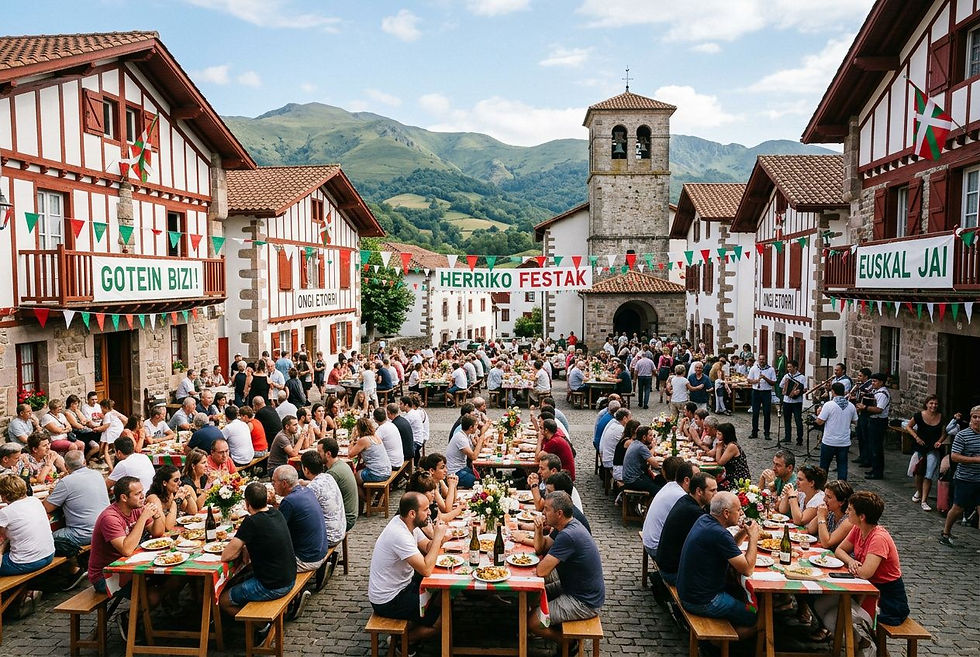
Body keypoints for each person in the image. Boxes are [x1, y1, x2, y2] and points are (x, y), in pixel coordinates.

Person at [677, 491, 760, 639]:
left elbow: (730, 547)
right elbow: (747, 569)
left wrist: (743, 532)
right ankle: (717, 644)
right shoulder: (719, 533)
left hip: (688, 591)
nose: (741, 513)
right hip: (703, 600)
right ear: (726, 513)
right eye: (739, 510)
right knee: (756, 618)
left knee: (737, 593)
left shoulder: (704, 519)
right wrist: (753, 538)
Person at [367, 492, 445, 647]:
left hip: (403, 587)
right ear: (412, 513)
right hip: (389, 600)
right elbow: (426, 569)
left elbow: (428, 547)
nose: (429, 512)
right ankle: (402, 642)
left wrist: (439, 536)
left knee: (440, 593)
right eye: (426, 509)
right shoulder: (399, 534)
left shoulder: (407, 524)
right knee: (443, 618)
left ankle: (413, 626)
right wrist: (437, 538)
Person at [527, 491, 604, 644]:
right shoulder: (567, 526)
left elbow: (541, 571)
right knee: (533, 592)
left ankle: (567, 643)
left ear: (559, 513)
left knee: (534, 623)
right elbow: (540, 548)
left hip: (584, 601)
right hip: (574, 588)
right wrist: (538, 529)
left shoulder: (568, 535)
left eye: (547, 509)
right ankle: (529, 623)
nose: (543, 512)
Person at [219, 482, 297, 620]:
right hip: (289, 577)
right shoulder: (276, 512)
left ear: (247, 503)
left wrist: (241, 547)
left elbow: (226, 556)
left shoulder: (251, 522)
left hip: (272, 585)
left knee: (223, 600)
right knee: (237, 579)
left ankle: (262, 625)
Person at [831, 491, 909, 626]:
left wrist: (854, 567)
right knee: (824, 603)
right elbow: (840, 550)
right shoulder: (858, 528)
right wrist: (851, 561)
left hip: (886, 600)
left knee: (834, 614)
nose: (846, 512)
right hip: (865, 591)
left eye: (850, 510)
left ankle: (861, 642)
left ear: (862, 516)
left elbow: (865, 573)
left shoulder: (878, 538)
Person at [88, 476, 165, 594]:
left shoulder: (136, 508)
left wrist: (156, 516)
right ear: (124, 497)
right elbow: (127, 550)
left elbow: (158, 533)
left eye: (142, 491)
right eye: (137, 494)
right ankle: (139, 611)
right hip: (106, 575)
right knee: (153, 595)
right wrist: (144, 517)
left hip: (129, 565)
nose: (142, 496)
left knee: (170, 578)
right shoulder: (110, 518)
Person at [43, 450, 110, 556]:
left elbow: (46, 508)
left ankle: (73, 567)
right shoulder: (97, 474)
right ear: (84, 462)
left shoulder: (66, 482)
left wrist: (54, 492)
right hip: (106, 528)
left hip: (83, 533)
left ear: (65, 466)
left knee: (45, 539)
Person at [656, 473, 718, 584]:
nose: (716, 494)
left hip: (667, 564)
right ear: (699, 491)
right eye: (712, 491)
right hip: (673, 572)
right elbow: (714, 539)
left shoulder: (687, 499)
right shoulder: (693, 512)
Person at [271, 465, 328, 581]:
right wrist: (274, 504)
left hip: (306, 559)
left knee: (263, 559)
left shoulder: (289, 501)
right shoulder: (306, 491)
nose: (273, 485)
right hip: (320, 550)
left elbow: (276, 531)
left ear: (284, 484)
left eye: (274, 482)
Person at [940, 404, 980, 547]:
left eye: (979, 417)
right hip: (965, 478)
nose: (977, 420)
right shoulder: (963, 435)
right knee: (958, 508)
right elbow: (955, 457)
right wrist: (976, 459)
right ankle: (945, 533)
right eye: (974, 417)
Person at [0, 474, 55, 575]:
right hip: (49, 554)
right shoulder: (35, 501)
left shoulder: (6, 512)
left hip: (27, 562)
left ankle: (22, 590)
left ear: (4, 495)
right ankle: (26, 590)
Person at [641, 457, 695, 556]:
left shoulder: (671, 486)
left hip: (650, 540)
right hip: (656, 546)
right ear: (686, 479)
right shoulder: (679, 495)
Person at [907, 395, 948, 511]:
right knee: (918, 472)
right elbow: (909, 427)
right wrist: (916, 437)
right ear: (926, 404)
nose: (933, 406)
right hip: (920, 447)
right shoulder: (919, 416)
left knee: (929, 474)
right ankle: (919, 492)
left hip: (933, 448)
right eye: (931, 403)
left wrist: (939, 441)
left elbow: (945, 432)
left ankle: (924, 500)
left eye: (935, 404)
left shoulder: (941, 417)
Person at [299, 451, 346, 548]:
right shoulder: (328, 477)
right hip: (340, 529)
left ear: (306, 470)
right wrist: (304, 483)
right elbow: (318, 485)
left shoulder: (312, 488)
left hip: (329, 537)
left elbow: (301, 509)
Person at [348, 417, 392, 511]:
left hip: (377, 473)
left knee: (353, 479)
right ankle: (368, 496)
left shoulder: (363, 440)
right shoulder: (375, 436)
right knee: (361, 472)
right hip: (387, 470)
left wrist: (352, 440)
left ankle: (366, 500)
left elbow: (350, 454)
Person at [816, 382, 857, 481]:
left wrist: (818, 414)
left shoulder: (829, 405)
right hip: (844, 441)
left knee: (824, 467)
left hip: (829, 441)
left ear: (833, 392)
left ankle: (821, 487)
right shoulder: (851, 406)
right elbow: (856, 421)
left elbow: (820, 422)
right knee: (842, 465)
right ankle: (842, 487)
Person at [319, 437, 358, 532]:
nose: (317, 455)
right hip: (350, 514)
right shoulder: (341, 464)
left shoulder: (333, 473)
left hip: (345, 519)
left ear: (328, 454)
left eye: (319, 452)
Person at [857, 373, 891, 480]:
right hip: (872, 420)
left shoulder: (882, 394)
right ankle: (873, 468)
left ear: (881, 382)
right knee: (871, 446)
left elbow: (879, 409)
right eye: (872, 381)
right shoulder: (875, 391)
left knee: (876, 448)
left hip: (879, 421)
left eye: (875, 381)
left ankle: (878, 472)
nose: (872, 383)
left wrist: (865, 407)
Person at [145, 465, 199, 532]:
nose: (180, 483)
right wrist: (175, 502)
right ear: (164, 483)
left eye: (180, 479)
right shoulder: (153, 498)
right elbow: (167, 527)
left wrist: (188, 496)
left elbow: (193, 512)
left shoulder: (173, 493)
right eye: (176, 480)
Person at [778, 464, 827, 532]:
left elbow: (799, 521)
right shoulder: (802, 492)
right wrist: (787, 495)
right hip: (801, 532)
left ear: (812, 483)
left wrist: (792, 497)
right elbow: (782, 510)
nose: (797, 482)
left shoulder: (819, 499)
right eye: (797, 478)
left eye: (800, 479)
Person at [622, 425, 663, 497]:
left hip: (629, 477)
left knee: (659, 479)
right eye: (650, 436)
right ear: (644, 437)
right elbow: (655, 465)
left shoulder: (635, 443)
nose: (652, 438)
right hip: (633, 480)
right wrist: (653, 447)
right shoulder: (641, 447)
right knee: (659, 491)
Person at [445, 414, 484, 488]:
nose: (477, 427)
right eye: (476, 425)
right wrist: (481, 440)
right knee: (477, 482)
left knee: (481, 476)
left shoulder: (466, 435)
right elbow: (474, 456)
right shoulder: (460, 438)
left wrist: (478, 441)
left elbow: (477, 448)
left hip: (462, 467)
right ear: (471, 427)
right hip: (455, 471)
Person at [814, 480, 854, 551]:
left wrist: (821, 517)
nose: (824, 499)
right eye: (825, 496)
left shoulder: (848, 521)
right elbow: (810, 529)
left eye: (829, 497)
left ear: (841, 502)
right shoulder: (831, 512)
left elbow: (826, 543)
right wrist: (820, 513)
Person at [713, 422, 751, 490]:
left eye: (719, 434)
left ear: (726, 435)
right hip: (730, 475)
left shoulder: (732, 446)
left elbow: (720, 463)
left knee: (715, 488)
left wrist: (718, 448)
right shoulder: (725, 444)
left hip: (738, 478)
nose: (717, 436)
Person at [748, 353, 777, 440]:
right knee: (755, 413)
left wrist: (765, 378)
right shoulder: (754, 368)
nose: (761, 361)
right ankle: (754, 432)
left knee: (767, 413)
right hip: (756, 392)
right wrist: (756, 381)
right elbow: (749, 380)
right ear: (758, 360)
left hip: (766, 392)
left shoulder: (771, 369)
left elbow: (773, 383)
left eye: (763, 359)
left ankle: (767, 433)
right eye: (760, 359)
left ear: (766, 360)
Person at [779, 359, 807, 445]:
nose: (789, 369)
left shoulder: (802, 377)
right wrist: (785, 389)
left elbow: (805, 389)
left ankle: (799, 439)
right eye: (788, 367)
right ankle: (788, 437)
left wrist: (799, 391)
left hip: (797, 402)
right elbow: (781, 385)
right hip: (786, 401)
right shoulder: (786, 376)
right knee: (787, 420)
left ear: (795, 367)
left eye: (790, 367)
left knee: (798, 420)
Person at [387, 403, 415, 473]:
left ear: (389, 413)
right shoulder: (403, 420)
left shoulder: (394, 425)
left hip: (405, 453)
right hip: (411, 450)